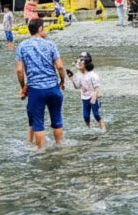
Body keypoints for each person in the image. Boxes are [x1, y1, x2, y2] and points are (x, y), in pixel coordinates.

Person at [15, 18, 66, 150]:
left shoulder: (22, 46)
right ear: (40, 29)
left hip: (35, 90)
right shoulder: (50, 45)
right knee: (57, 120)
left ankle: (41, 151)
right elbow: (60, 67)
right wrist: (62, 81)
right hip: (53, 87)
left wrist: (23, 87)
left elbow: (19, 70)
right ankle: (60, 148)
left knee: (38, 123)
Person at [68, 51, 105, 132]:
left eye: (82, 60)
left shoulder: (93, 75)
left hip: (94, 97)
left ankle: (103, 130)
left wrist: (94, 97)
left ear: (87, 63)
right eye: (79, 60)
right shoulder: (79, 74)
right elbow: (77, 86)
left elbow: (97, 88)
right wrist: (71, 78)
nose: (79, 62)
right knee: (86, 117)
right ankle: (89, 130)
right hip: (84, 98)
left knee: (97, 115)